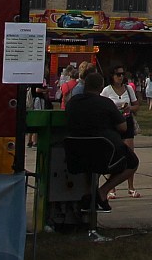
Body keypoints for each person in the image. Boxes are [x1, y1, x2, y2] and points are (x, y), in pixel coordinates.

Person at [63, 67, 137, 209]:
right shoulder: (106, 103)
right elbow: (123, 127)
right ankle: (102, 191)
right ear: (101, 87)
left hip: (76, 154)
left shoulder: (72, 103)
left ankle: (88, 195)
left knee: (89, 164)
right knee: (132, 161)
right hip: (103, 154)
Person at [101, 67, 141, 199]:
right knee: (114, 155)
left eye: (123, 74)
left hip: (127, 121)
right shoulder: (107, 90)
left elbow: (136, 105)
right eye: (118, 74)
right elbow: (102, 105)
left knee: (130, 153)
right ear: (112, 76)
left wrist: (130, 108)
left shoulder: (128, 89)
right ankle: (112, 188)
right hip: (113, 124)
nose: (121, 77)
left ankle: (131, 187)